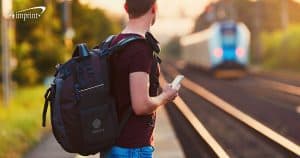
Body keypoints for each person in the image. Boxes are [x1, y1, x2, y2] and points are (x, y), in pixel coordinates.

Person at [101, 0, 179, 157]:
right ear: (154, 8)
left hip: (111, 144)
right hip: (132, 148)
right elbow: (141, 106)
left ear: (126, 8)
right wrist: (165, 96)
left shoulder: (113, 43)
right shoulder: (140, 49)